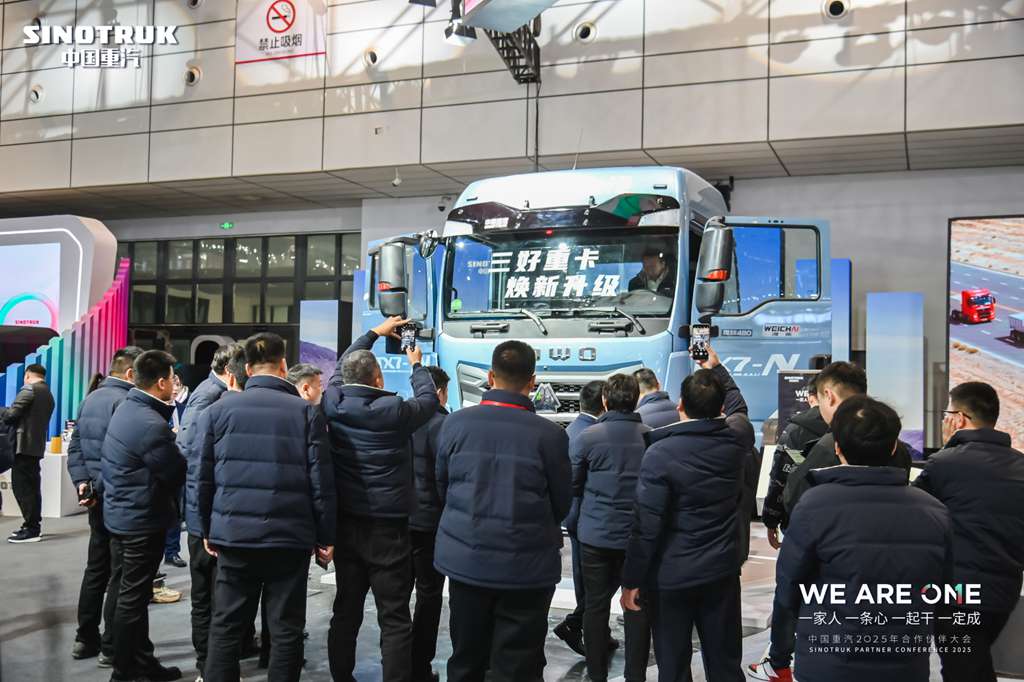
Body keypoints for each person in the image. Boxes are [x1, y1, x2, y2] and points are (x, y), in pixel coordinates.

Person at [750, 362, 910, 682]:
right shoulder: (926, 505)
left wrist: (773, 519)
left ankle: (779, 660)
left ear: (828, 395)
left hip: (827, 562)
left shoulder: (814, 438)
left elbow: (789, 491)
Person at [774, 396, 952, 682]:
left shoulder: (814, 505)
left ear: (838, 448)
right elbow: (942, 592)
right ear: (894, 447)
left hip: (829, 661)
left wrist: (787, 645)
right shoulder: (935, 511)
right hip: (904, 663)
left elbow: (788, 588)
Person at [198, 332, 336, 682]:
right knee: (287, 628)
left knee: (226, 627)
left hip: (233, 536)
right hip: (288, 538)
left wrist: (204, 529)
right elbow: (321, 482)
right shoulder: (306, 413)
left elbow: (202, 478)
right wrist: (325, 535)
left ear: (246, 368)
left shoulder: (217, 412)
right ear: (283, 365)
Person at [435, 340, 572, 682]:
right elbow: (562, 503)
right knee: (519, 665)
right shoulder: (551, 435)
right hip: (526, 567)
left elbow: (443, 487)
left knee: (466, 658)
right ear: (533, 381)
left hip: (467, 561)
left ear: (490, 376)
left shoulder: (455, 424)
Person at [621, 346, 753, 682]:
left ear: (681, 406)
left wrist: (632, 580)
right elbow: (739, 408)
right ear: (720, 408)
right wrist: (718, 368)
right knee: (724, 662)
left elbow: (646, 527)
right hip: (722, 572)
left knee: (674, 664)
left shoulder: (660, 453)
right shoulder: (737, 438)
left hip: (670, 578)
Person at [323, 316, 439, 682]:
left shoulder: (334, 402)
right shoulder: (397, 412)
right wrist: (415, 361)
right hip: (389, 530)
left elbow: (345, 363)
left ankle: (342, 676)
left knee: (346, 610)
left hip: (346, 525)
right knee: (394, 616)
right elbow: (429, 400)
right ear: (379, 379)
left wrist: (374, 333)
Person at [914, 382, 1024, 682]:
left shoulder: (945, 463)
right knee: (974, 663)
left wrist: (949, 447)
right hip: (1005, 591)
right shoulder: (1020, 465)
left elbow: (913, 512)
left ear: (958, 419)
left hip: (957, 592)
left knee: (962, 669)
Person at [101, 350, 186, 682]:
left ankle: (141, 663)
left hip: (124, 514)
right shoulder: (150, 423)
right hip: (140, 519)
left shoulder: (129, 408)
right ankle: (124, 672)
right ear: (162, 382)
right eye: (173, 379)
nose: (175, 386)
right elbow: (175, 471)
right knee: (132, 599)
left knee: (130, 593)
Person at [572, 374, 651, 682]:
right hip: (637, 537)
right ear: (636, 399)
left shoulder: (588, 437)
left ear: (605, 400)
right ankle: (635, 675)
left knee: (595, 606)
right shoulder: (651, 436)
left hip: (595, 535)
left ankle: (596, 674)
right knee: (636, 605)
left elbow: (573, 485)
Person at [66, 347, 142, 661]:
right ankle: (112, 645)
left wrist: (83, 483)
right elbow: (119, 456)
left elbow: (76, 447)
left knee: (96, 569)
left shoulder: (90, 398)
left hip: (96, 498)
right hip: (118, 499)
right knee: (120, 574)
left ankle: (86, 638)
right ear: (130, 374)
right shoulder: (126, 403)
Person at [174, 343, 241, 679]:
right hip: (205, 516)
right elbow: (189, 450)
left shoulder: (213, 393)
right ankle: (207, 665)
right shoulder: (209, 397)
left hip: (210, 512)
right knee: (208, 598)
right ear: (231, 370)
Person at [555, 379, 606, 657]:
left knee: (585, 580)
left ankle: (589, 629)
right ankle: (580, 626)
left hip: (575, 516)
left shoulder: (572, 430)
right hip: (589, 517)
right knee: (596, 584)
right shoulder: (594, 434)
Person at [409, 365, 450, 682]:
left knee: (395, 597)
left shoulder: (400, 421)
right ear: (440, 392)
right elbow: (447, 480)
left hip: (400, 521)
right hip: (432, 523)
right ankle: (420, 665)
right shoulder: (446, 426)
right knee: (429, 595)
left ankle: (396, 662)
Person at [4, 363, 55, 543]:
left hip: (22, 446)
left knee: (23, 488)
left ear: (27, 375)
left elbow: (11, 415)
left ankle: (31, 528)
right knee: (32, 488)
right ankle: (33, 526)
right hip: (35, 446)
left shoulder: (29, 390)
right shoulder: (48, 393)